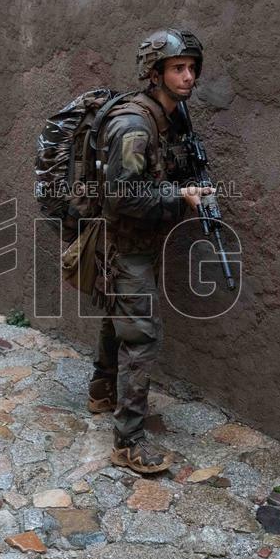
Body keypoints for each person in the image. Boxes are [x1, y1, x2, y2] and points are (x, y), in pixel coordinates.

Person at [87, 28, 213, 474]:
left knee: (119, 316)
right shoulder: (134, 126)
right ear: (154, 73)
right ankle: (128, 441)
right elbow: (123, 195)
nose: (188, 76)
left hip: (139, 243)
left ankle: (102, 391)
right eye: (178, 68)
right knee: (142, 337)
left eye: (192, 68)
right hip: (125, 246)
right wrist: (181, 197)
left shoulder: (169, 117)